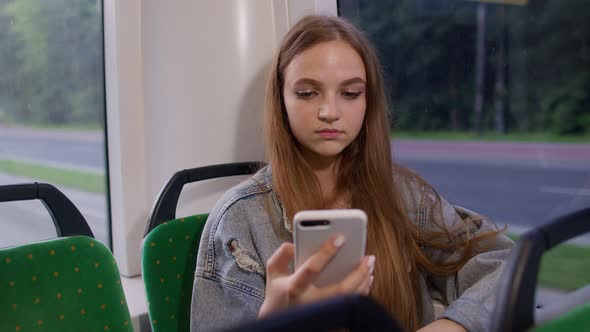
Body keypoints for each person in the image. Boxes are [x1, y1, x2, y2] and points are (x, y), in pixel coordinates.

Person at [190, 15, 513, 332]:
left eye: (350, 93)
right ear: (281, 100)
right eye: (307, 93)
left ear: (368, 102)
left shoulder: (404, 195)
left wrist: (452, 325)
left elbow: (502, 264)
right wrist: (274, 321)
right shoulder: (239, 219)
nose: (330, 112)